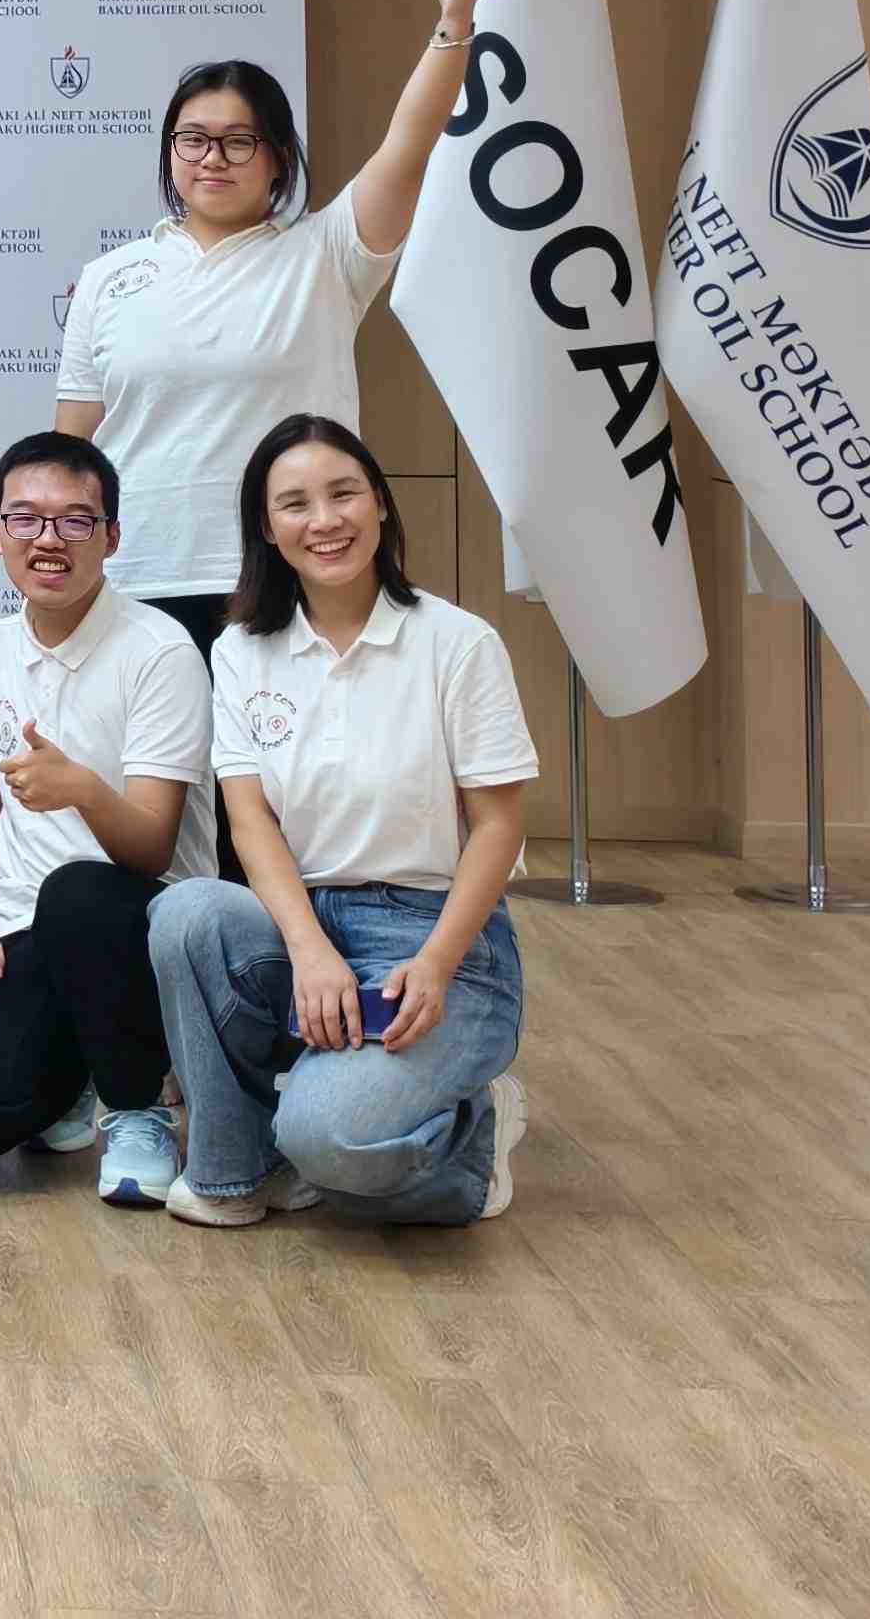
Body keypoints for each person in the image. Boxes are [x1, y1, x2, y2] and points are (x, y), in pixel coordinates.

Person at [149, 413, 536, 1229]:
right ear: (267, 527)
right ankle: (237, 1169)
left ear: (381, 504)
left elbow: (499, 827)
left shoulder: (458, 643)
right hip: (307, 921)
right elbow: (250, 821)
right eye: (294, 504)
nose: (323, 521)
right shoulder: (240, 650)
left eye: (343, 494)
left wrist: (436, 962)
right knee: (185, 912)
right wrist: (308, 947)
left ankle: (474, 1133)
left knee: (332, 1141)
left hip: (433, 934)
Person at [52, 0, 481, 655]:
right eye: (192, 140)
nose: (212, 158)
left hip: (284, 575)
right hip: (134, 583)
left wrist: (454, 24)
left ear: (279, 156)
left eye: (238, 141)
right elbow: (70, 455)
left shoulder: (327, 253)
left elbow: (409, 145)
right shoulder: (108, 277)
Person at [0, 432, 211, 1203]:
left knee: (78, 892)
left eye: (76, 521)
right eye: (26, 518)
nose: (48, 539)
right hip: (24, 929)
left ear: (111, 537)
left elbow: (151, 848)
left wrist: (82, 789)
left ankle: (137, 1107)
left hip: (137, 927)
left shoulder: (160, 652)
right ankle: (76, 1068)